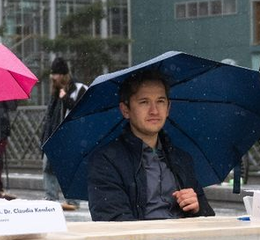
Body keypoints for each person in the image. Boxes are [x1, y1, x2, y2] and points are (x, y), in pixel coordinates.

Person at [87, 70, 214, 221]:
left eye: (160, 101)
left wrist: (198, 208)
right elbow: (113, 221)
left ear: (168, 108)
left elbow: (209, 219)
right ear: (125, 110)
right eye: (144, 102)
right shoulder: (106, 161)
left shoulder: (181, 159)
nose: (154, 111)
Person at [41, 57, 87, 211]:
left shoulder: (79, 89)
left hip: (71, 137)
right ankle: (50, 198)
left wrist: (65, 98)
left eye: (56, 74)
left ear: (64, 75)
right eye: (52, 75)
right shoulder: (54, 92)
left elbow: (80, 111)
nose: (53, 78)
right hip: (53, 136)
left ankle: (73, 201)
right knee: (48, 168)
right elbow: (49, 117)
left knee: (70, 169)